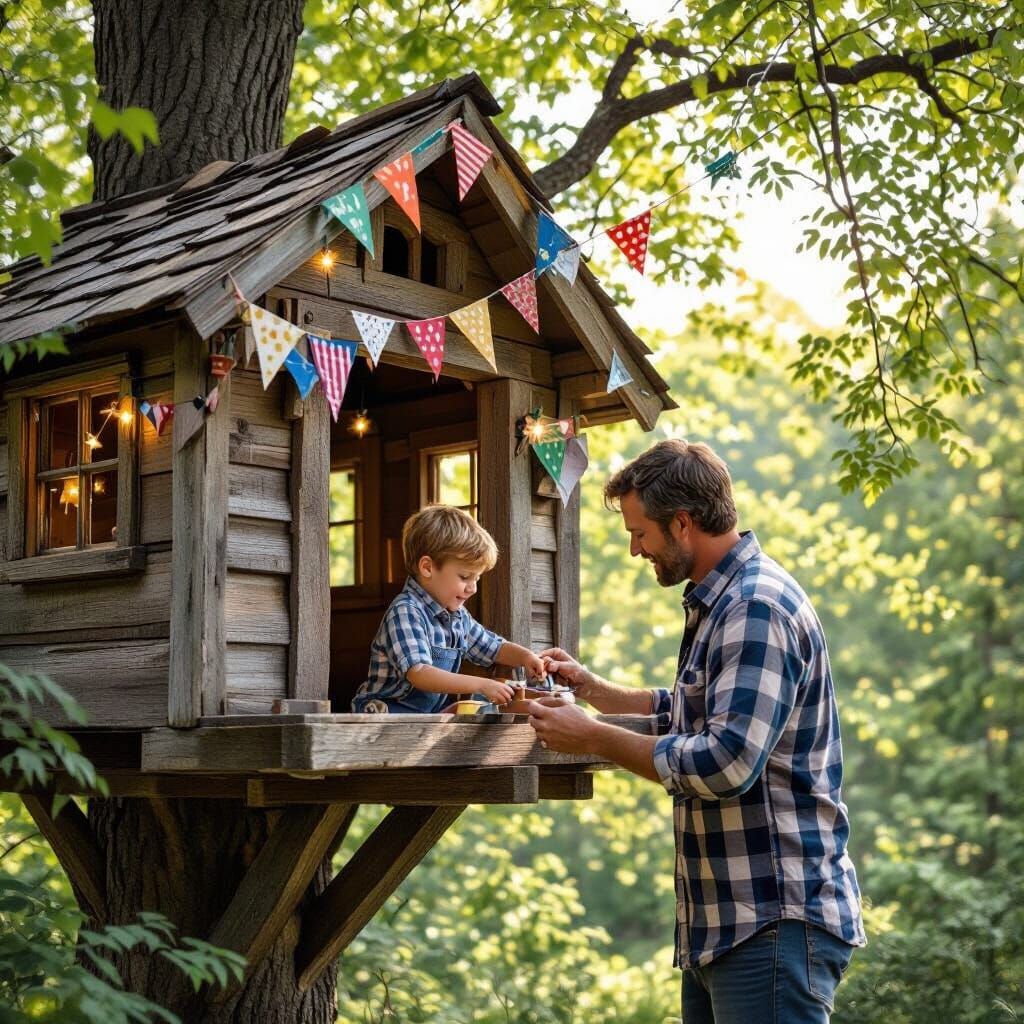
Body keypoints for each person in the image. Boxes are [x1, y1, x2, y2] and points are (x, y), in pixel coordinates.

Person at [528, 439, 866, 1023]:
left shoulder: (755, 606)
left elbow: (725, 761)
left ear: (682, 523)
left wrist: (593, 736)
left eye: (641, 533)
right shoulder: (723, 602)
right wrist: (598, 693)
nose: (635, 549)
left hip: (772, 921)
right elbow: (698, 714)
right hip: (729, 924)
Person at [352, 504, 546, 713]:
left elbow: (493, 647)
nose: (472, 588)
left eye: (477, 578)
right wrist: (481, 684)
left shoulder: (458, 617)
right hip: (386, 714)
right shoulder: (406, 611)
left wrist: (526, 657)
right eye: (464, 577)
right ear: (427, 567)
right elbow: (420, 673)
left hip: (424, 716)